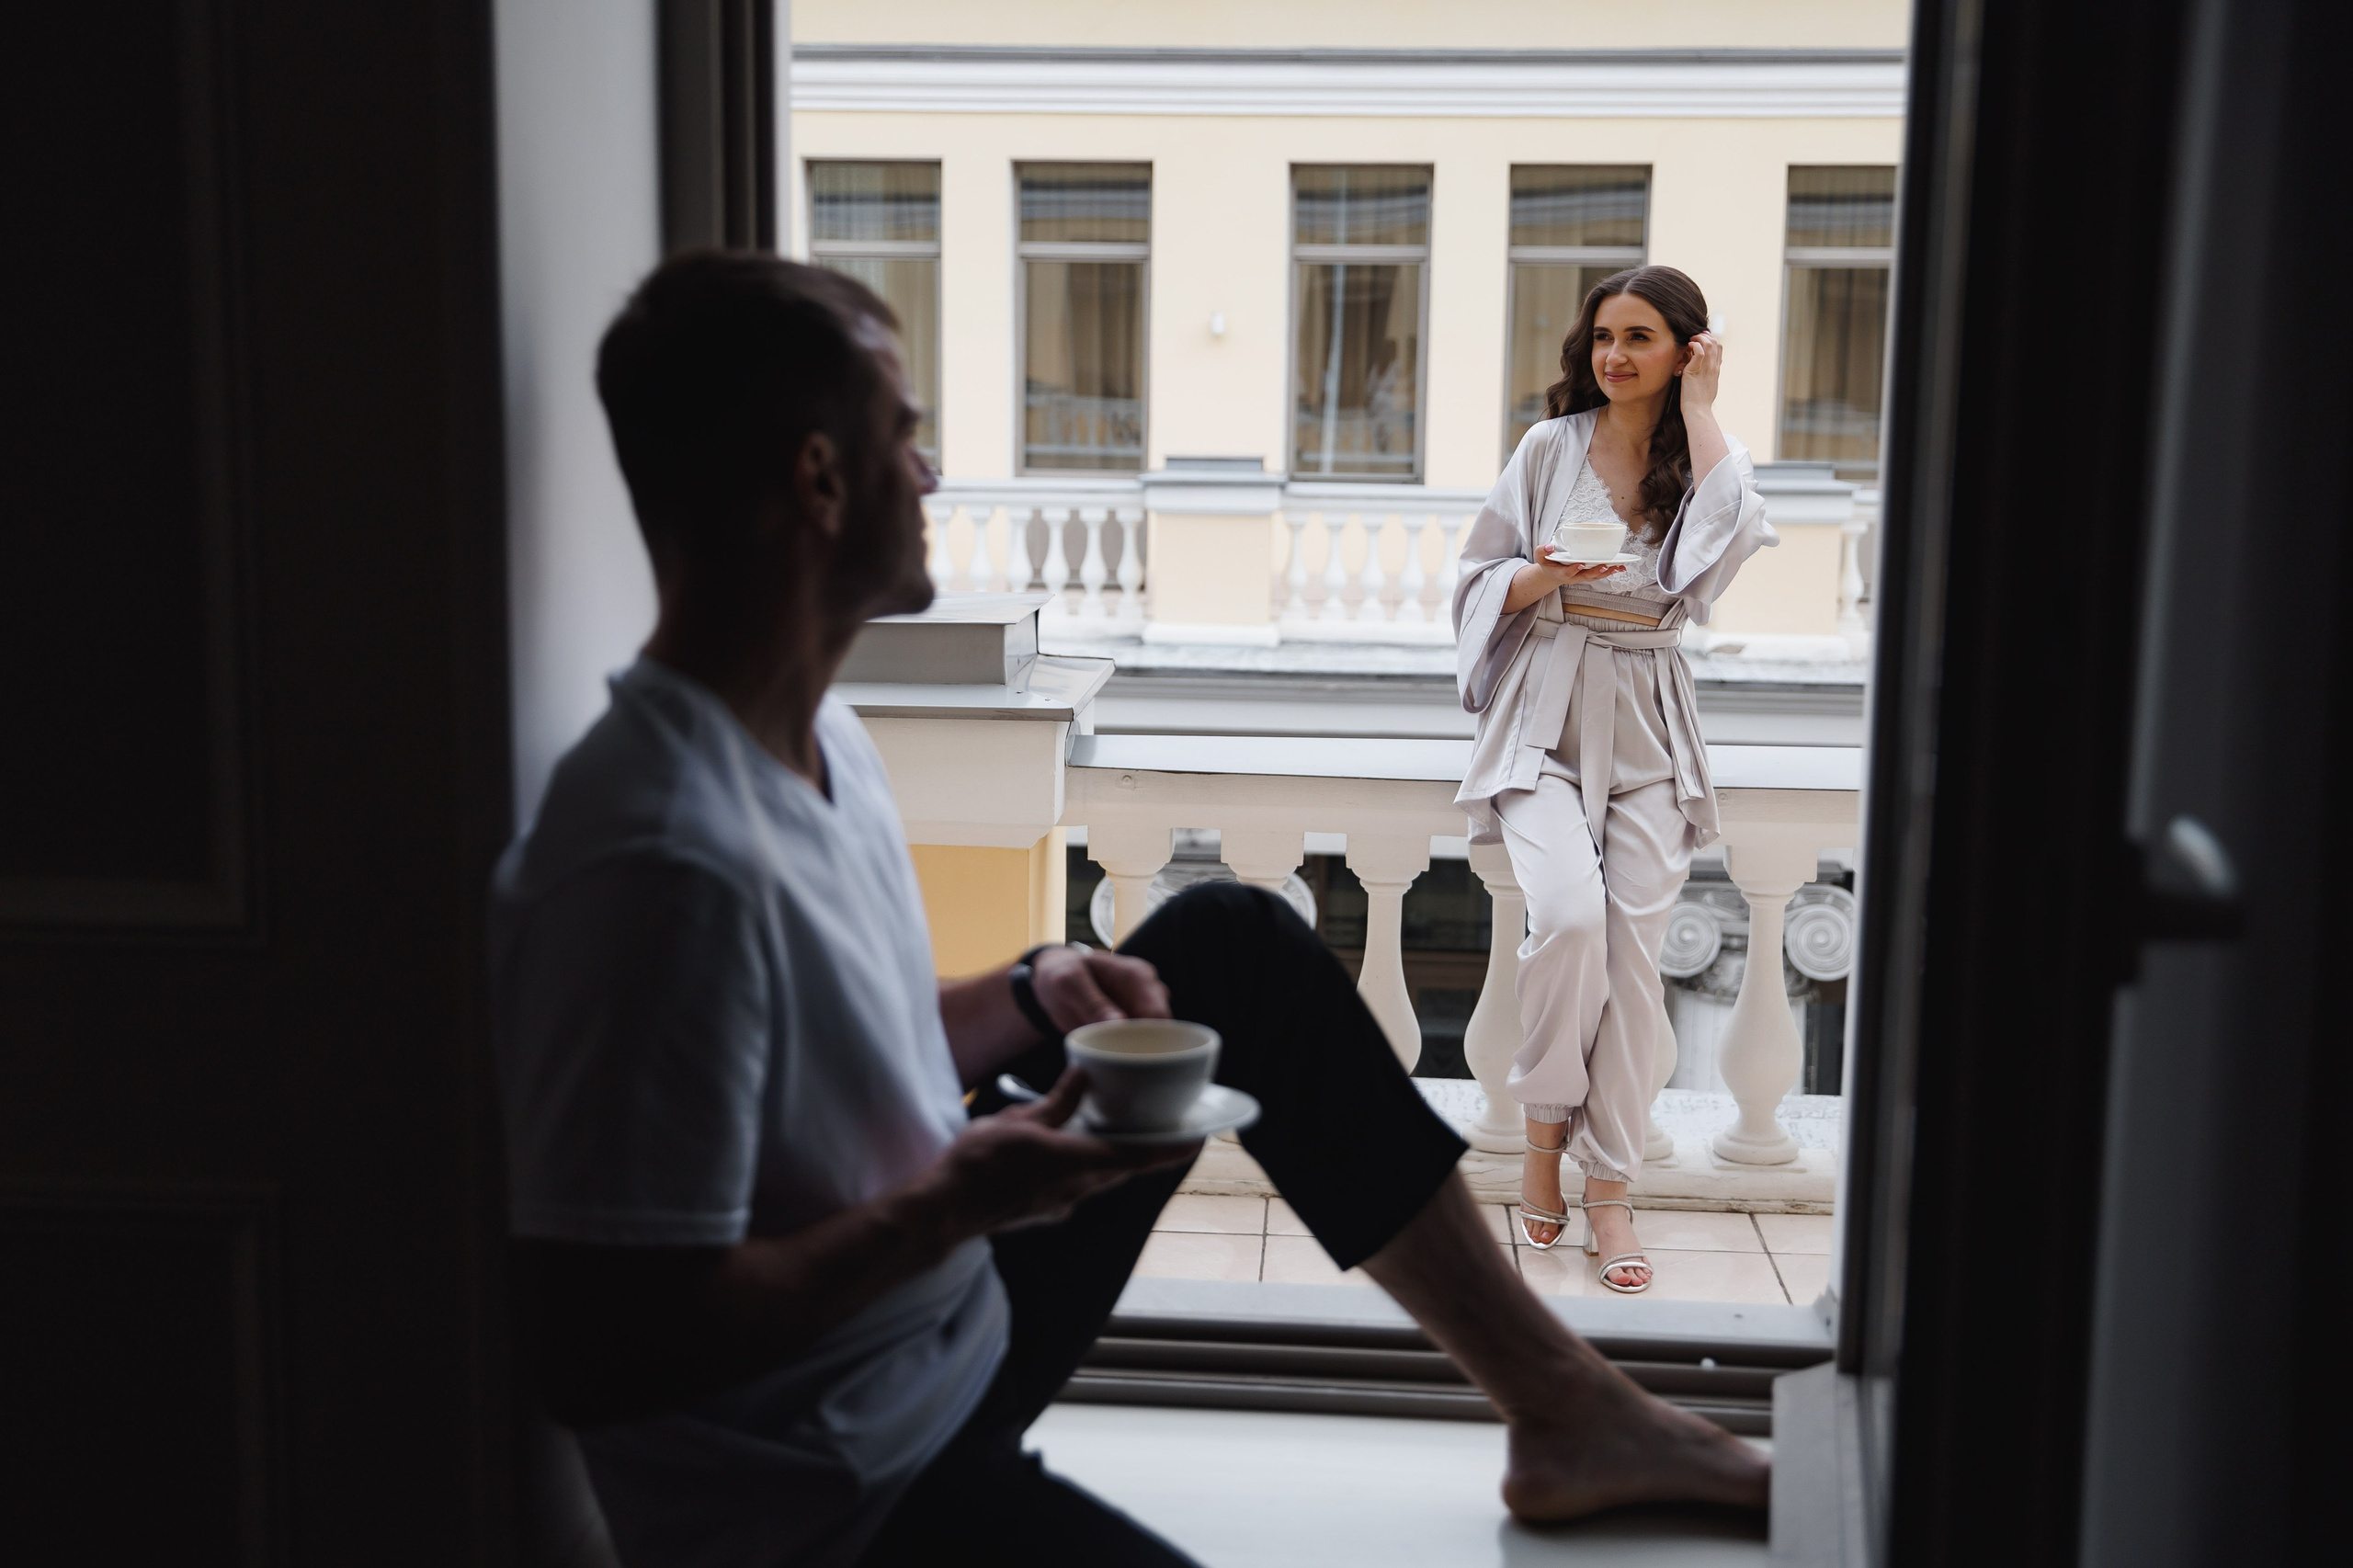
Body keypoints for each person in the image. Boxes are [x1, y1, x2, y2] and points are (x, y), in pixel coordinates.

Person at [492, 253, 1767, 1568]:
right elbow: (602, 1349)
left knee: (1228, 940)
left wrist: (1033, 991)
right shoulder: (652, 861)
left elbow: (827, 1059)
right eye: (904, 439)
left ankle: (1569, 1409)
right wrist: (952, 1206)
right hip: (839, 1477)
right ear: (819, 480)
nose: (928, 478)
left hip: (940, 1321)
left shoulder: (817, 733)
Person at [1451, 267, 1775, 1294]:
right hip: (1545, 712)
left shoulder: (1704, 455)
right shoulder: (1548, 447)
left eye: (1640, 335)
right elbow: (1472, 578)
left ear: (1686, 348)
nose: (1614, 354)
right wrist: (1544, 574)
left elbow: (1724, 550)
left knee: (1636, 958)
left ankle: (1609, 1188)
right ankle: (1543, 1134)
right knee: (1571, 920)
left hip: (1648, 717)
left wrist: (1702, 408)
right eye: (1602, 335)